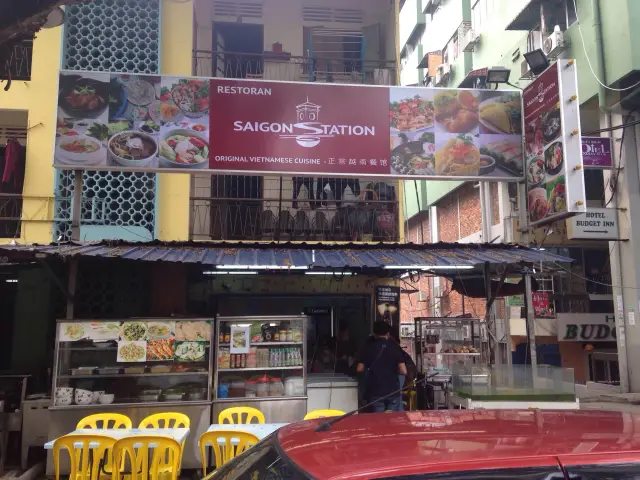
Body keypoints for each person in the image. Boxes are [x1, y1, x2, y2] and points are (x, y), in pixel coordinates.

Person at [356, 321, 407, 412]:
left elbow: (359, 368)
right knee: (391, 419)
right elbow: (403, 371)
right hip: (392, 391)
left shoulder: (368, 347)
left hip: (375, 391)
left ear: (374, 333)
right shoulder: (394, 346)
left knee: (379, 420)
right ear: (388, 333)